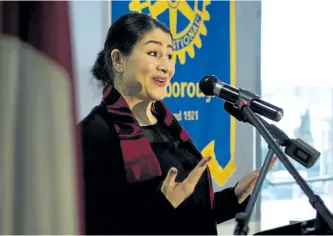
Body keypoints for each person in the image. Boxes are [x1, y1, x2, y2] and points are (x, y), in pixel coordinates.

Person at [78, 12, 276, 235]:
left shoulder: (168, 127)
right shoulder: (93, 133)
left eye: (170, 56)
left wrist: (234, 196)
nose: (166, 67)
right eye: (153, 53)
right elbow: (95, 226)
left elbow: (189, 215)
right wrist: (162, 206)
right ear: (118, 60)